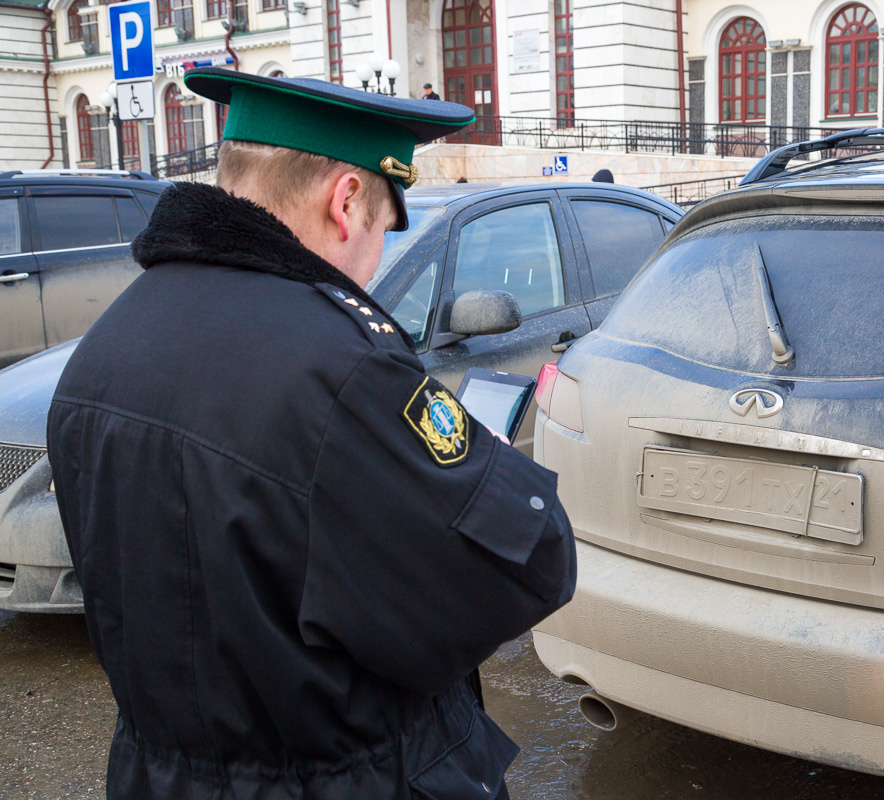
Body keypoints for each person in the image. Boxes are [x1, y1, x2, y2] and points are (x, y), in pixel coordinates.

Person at [46, 67, 576, 800]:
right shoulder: (340, 368)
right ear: (347, 199)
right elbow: (530, 562)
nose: (377, 257)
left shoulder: (99, 352)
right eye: (388, 228)